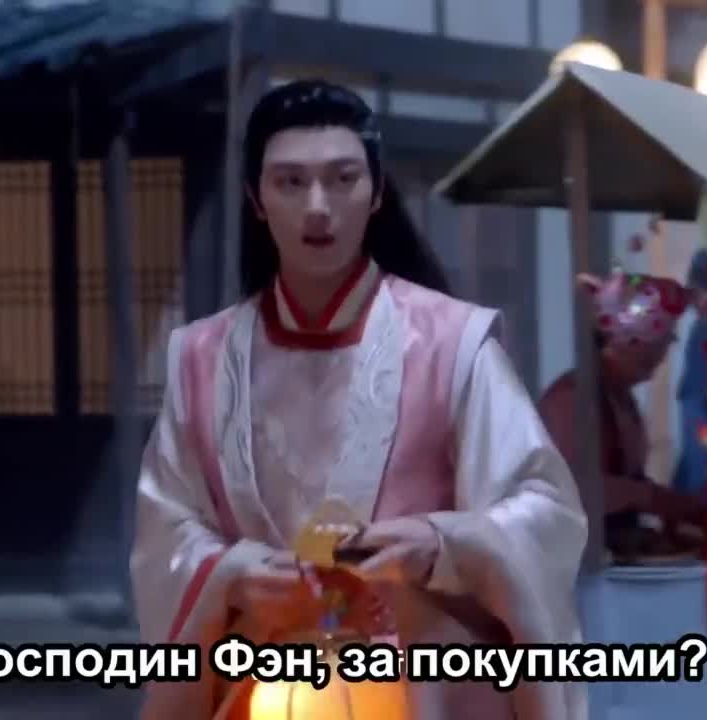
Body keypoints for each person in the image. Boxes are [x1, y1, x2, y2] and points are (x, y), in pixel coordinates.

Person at [130, 80, 588, 719]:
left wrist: (444, 545)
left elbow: (545, 509)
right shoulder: (201, 359)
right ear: (256, 199)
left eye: (342, 179)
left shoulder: (452, 345)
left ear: (375, 194)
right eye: (290, 183)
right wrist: (230, 576)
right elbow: (165, 530)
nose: (318, 207)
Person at [538, 270, 707, 557]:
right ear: (632, 342)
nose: (664, 355)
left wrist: (672, 510)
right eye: (664, 342)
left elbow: (628, 483)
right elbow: (572, 490)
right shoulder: (573, 399)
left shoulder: (619, 396)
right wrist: (656, 500)